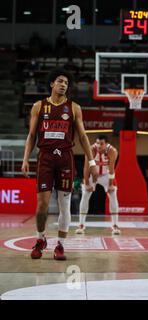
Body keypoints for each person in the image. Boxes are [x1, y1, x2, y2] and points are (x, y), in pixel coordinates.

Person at [21, 68, 98, 260]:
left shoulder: (74, 108)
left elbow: (82, 135)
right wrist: (25, 158)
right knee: (42, 206)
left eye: (66, 83)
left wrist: (92, 161)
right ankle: (41, 239)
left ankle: (60, 245)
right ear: (51, 84)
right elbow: (31, 135)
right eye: (60, 81)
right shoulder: (39, 106)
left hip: (65, 158)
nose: (64, 85)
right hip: (45, 158)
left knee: (65, 205)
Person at [76, 135, 120, 235]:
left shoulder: (112, 151)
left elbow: (112, 169)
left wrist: (110, 185)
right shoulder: (91, 149)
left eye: (101, 144)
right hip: (92, 175)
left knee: (113, 196)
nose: (99, 146)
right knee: (85, 195)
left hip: (105, 175)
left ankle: (115, 225)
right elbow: (86, 167)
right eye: (97, 143)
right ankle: (81, 225)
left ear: (106, 144)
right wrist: (87, 183)